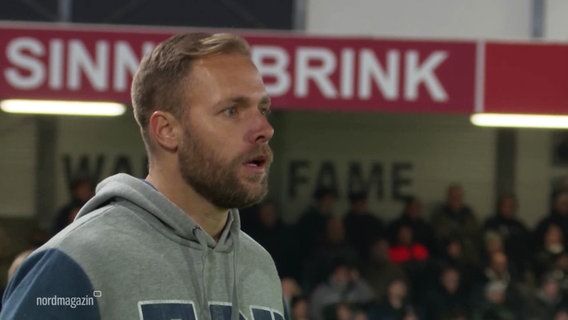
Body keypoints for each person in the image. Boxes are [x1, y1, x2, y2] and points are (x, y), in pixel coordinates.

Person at [1, 32, 286, 319]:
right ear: (166, 130)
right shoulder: (75, 263)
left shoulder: (260, 267)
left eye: (262, 109)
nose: (265, 128)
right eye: (232, 111)